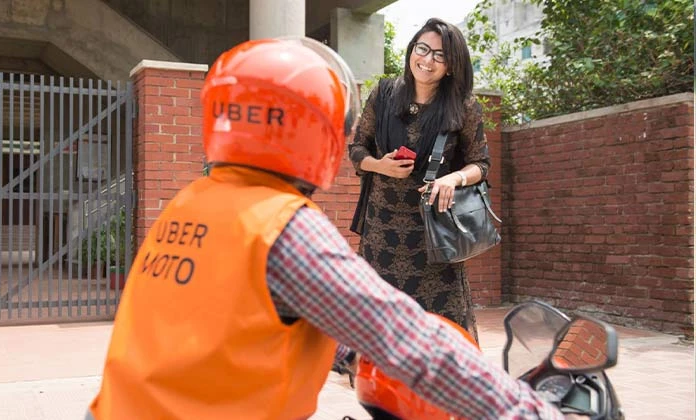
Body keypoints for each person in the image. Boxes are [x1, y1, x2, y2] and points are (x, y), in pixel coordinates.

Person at [86, 37, 577, 420]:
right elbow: (410, 341)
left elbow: (236, 315)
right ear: (318, 131)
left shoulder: (190, 205)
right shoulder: (285, 229)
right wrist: (529, 410)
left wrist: (343, 348)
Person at [348, 18, 486, 341]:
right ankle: (381, 391)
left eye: (440, 55)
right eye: (422, 49)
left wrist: (453, 178)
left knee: (442, 337)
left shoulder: (463, 106)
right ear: (411, 50)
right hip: (381, 235)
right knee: (380, 332)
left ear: (451, 66)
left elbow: (481, 163)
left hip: (435, 239)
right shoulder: (383, 95)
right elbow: (356, 148)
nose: (427, 60)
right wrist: (378, 165)